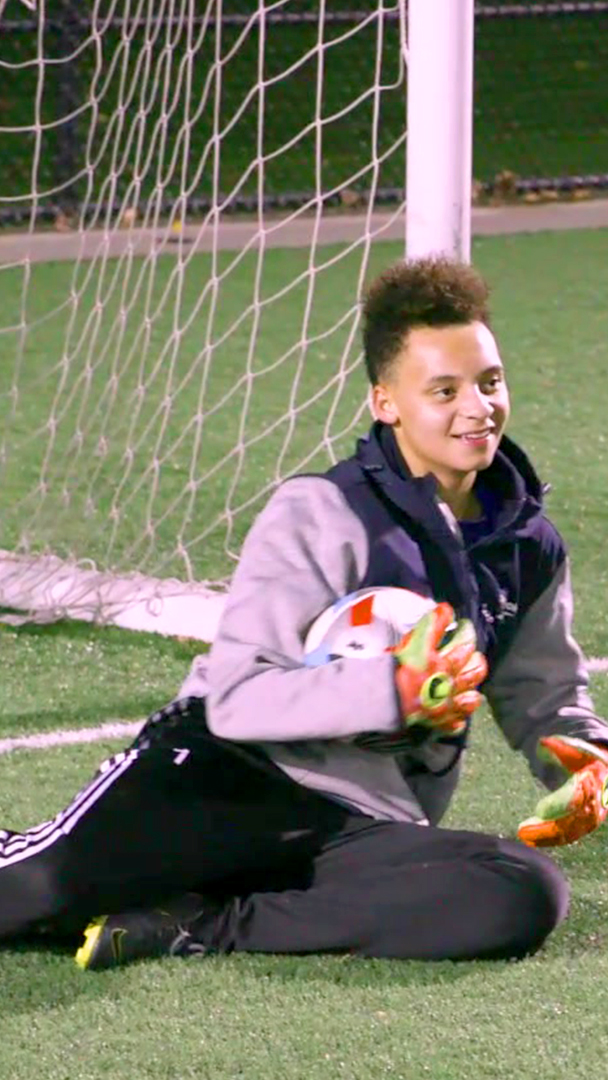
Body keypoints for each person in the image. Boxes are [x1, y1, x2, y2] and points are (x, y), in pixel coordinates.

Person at [1, 256, 607, 971]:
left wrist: (581, 761)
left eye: (489, 381)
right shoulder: (322, 512)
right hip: (226, 777)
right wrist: (391, 691)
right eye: (443, 390)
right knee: (29, 894)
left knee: (518, 892)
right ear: (387, 401)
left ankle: (200, 921)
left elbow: (547, 698)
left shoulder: (528, 545)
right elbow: (235, 700)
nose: (477, 407)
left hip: (358, 820)